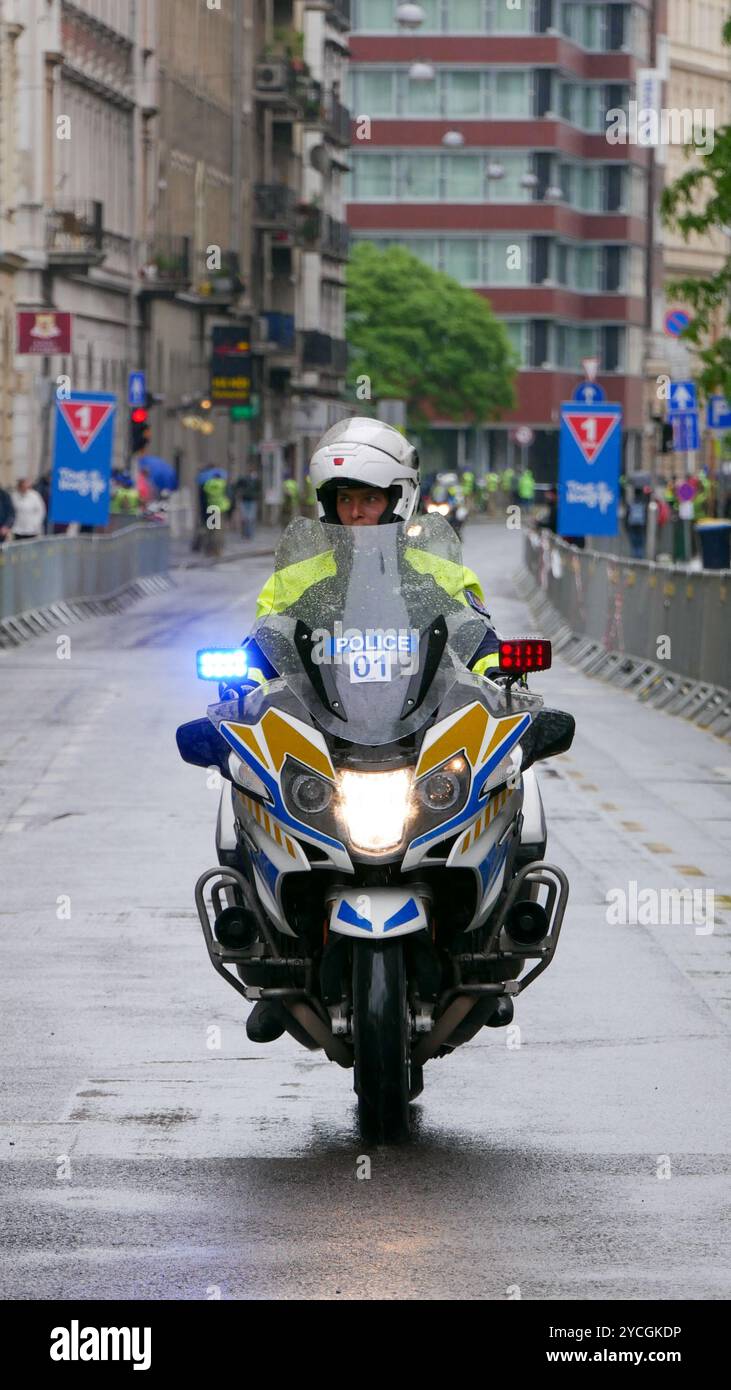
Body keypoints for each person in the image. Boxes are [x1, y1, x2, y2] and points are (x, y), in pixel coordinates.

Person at [243, 417, 506, 1043]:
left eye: (369, 499)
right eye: (344, 501)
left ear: (398, 500)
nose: (356, 513)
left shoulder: (439, 574)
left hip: (412, 737)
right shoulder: (294, 579)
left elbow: (481, 645)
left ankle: (490, 944)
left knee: (508, 782)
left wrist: (504, 691)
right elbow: (262, 654)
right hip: (329, 738)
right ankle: (266, 949)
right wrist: (237, 694)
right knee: (243, 784)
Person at [623, 484, 649, 560]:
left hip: (632, 524)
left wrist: (626, 526)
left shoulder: (631, 503)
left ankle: (634, 559)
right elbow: (646, 515)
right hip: (641, 525)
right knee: (640, 542)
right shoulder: (643, 503)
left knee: (634, 542)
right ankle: (640, 559)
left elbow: (627, 515)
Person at [235, 471, 260, 540]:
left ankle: (249, 534)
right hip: (245, 500)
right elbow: (237, 486)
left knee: (250, 519)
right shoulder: (244, 480)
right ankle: (245, 534)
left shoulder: (255, 481)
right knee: (245, 519)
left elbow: (259, 489)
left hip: (251, 501)